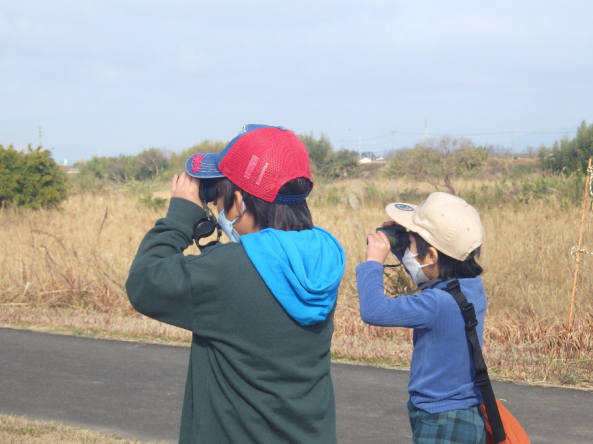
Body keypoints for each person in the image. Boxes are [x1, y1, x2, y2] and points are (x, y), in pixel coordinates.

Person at [126, 124, 346, 444]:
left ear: (239, 202)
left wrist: (180, 216)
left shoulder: (227, 270)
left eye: (220, 195)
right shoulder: (323, 256)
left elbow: (144, 282)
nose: (218, 204)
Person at [356, 192, 487, 444]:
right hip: (463, 413)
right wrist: (403, 249)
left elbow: (373, 309)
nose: (409, 246)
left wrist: (373, 261)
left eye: (412, 242)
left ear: (432, 256)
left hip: (442, 422)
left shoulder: (435, 303)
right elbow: (431, 276)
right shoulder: (472, 287)